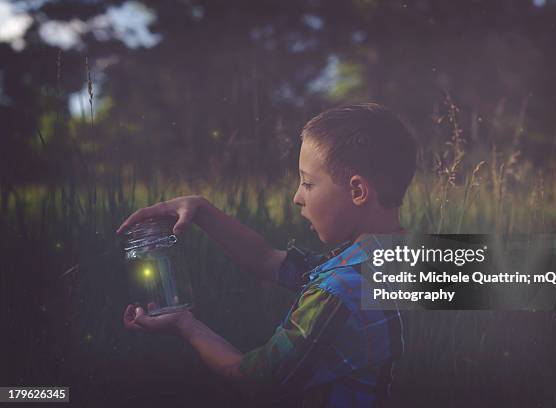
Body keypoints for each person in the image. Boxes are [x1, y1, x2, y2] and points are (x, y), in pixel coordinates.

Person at [117, 103, 416, 407]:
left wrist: (185, 325)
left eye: (308, 183)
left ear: (358, 191)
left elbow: (255, 382)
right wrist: (201, 209)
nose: (297, 197)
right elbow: (268, 260)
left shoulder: (338, 292)